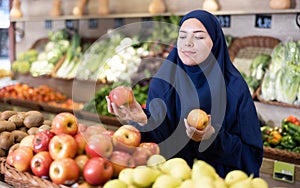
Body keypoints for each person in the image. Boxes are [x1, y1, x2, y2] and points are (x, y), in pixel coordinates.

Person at [106, 9, 263, 178]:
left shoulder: (234, 88)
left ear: (215, 42)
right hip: (170, 177)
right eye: (182, 36)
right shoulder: (163, 82)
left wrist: (212, 137)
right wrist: (143, 120)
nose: (187, 43)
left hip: (217, 180)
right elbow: (160, 141)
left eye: (199, 36)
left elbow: (251, 156)